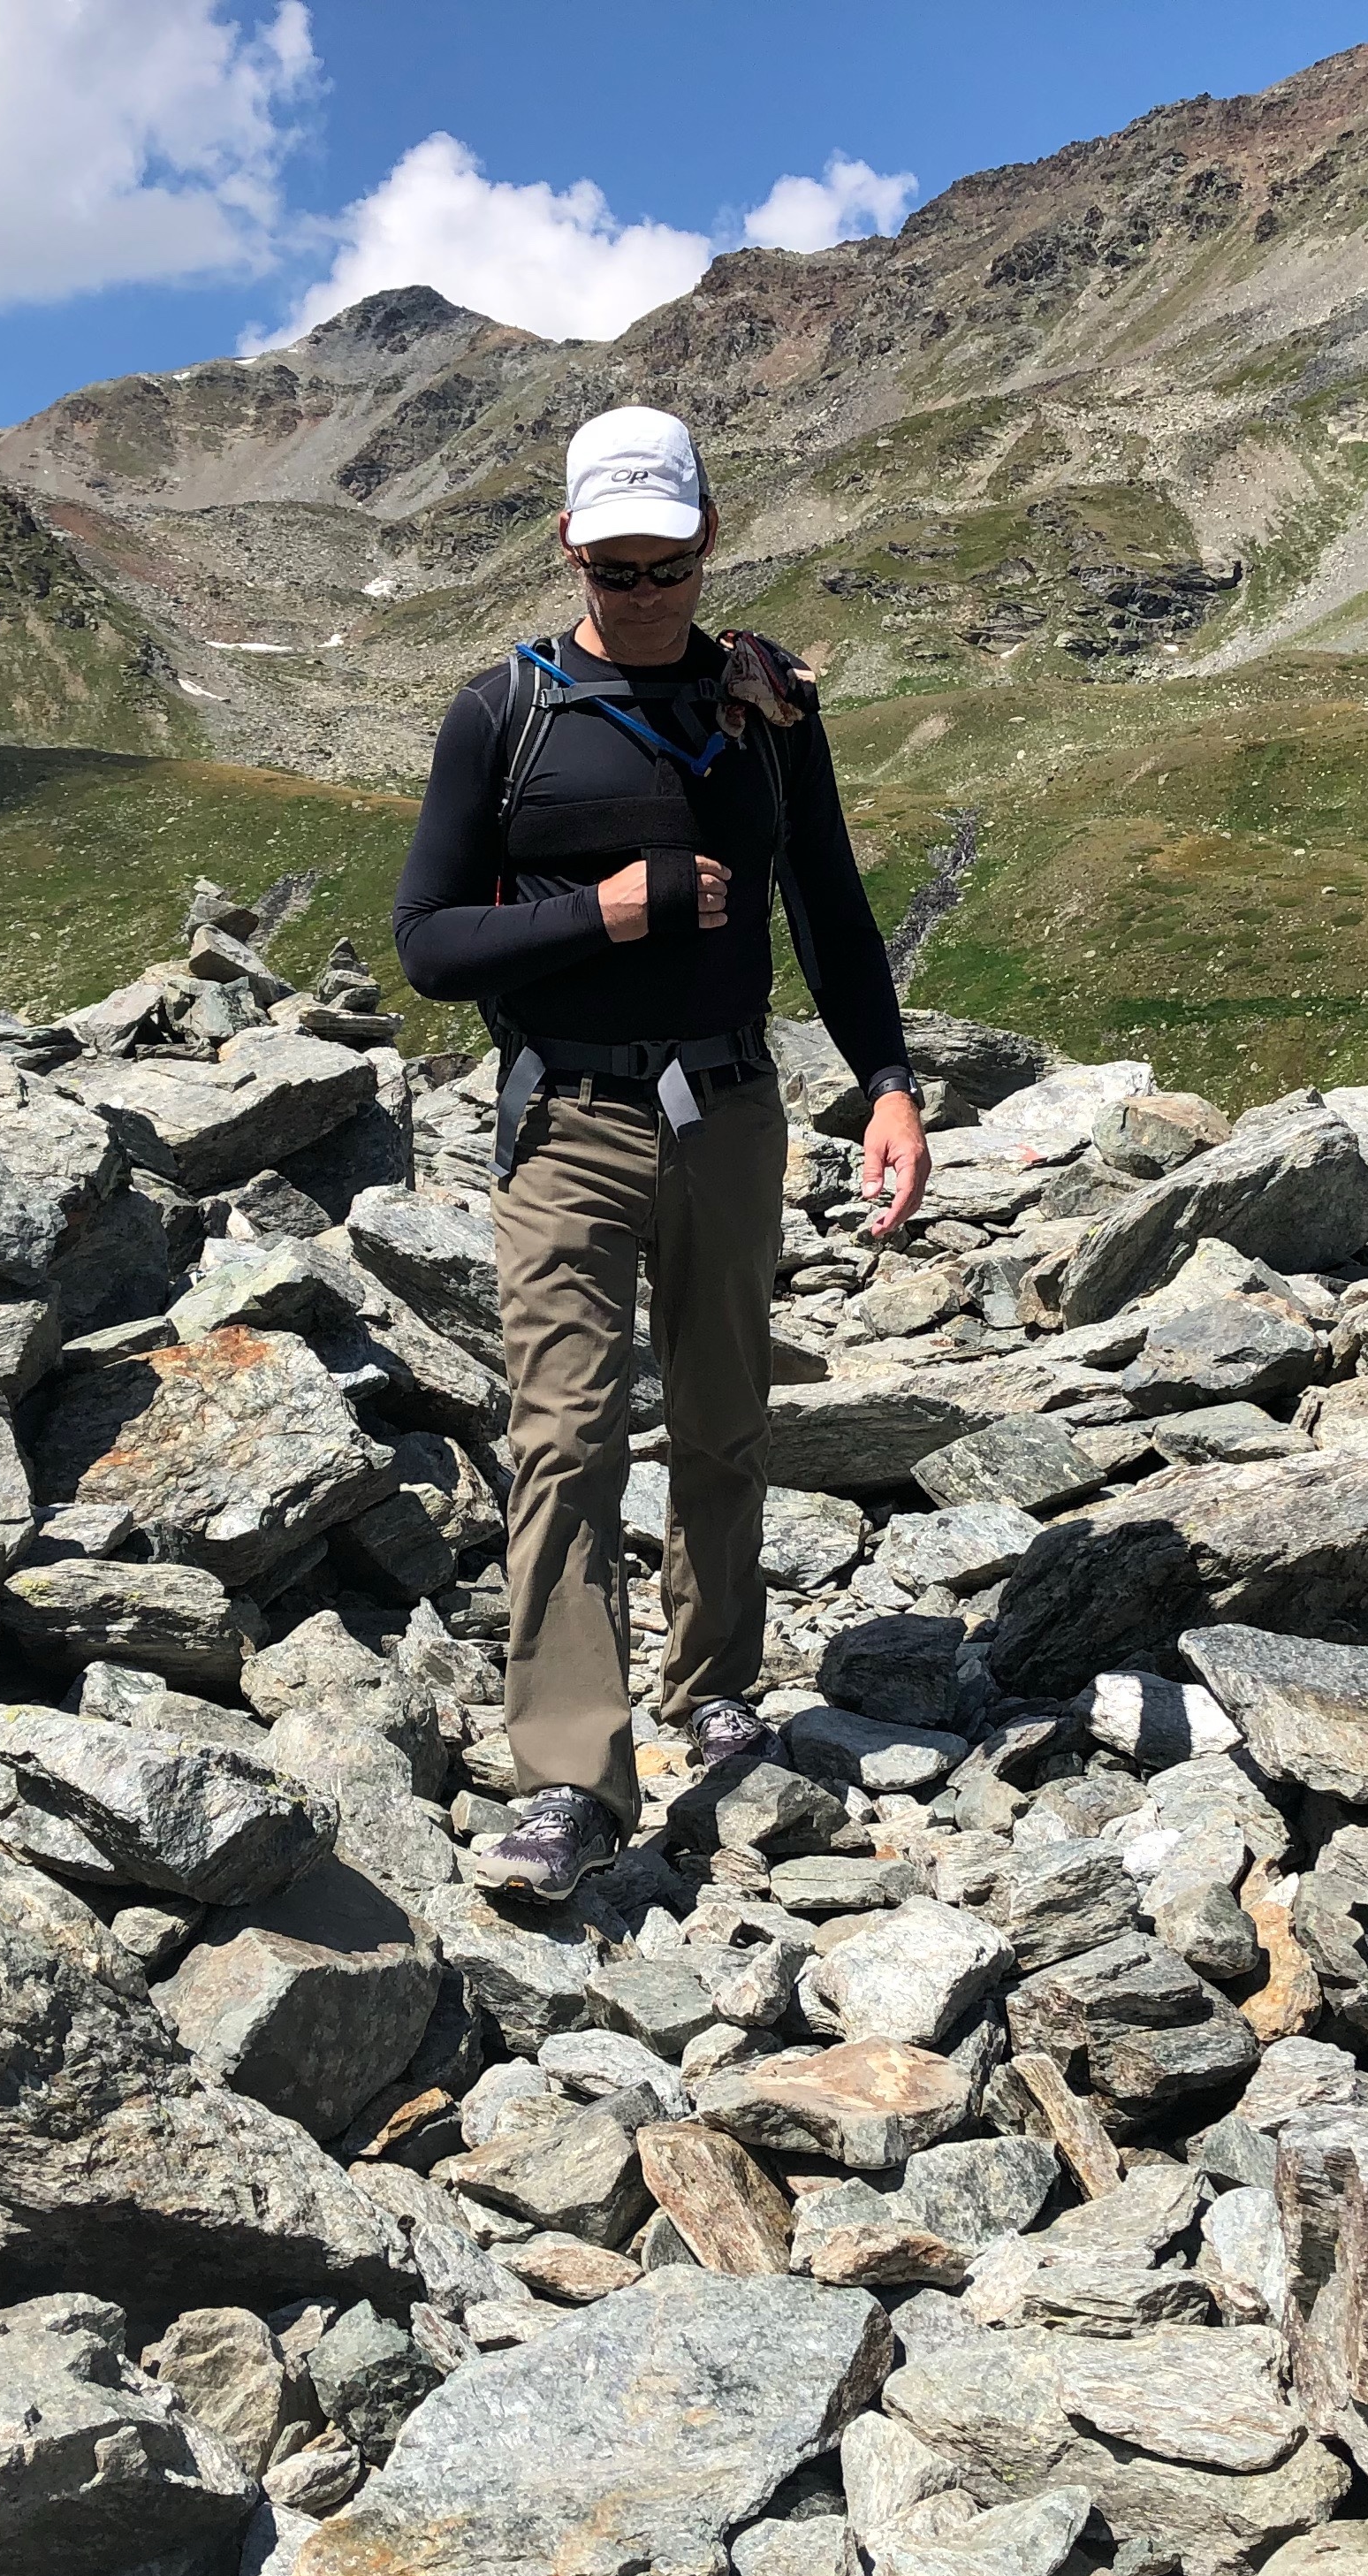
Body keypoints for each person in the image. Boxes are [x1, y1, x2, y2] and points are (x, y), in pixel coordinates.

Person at [393, 403, 931, 1902]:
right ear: (568, 544)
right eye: (613, 567)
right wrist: (607, 913)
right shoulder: (502, 712)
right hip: (564, 1118)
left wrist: (889, 1083)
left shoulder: (768, 713)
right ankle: (572, 1776)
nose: (641, 594)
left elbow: (829, 904)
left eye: (668, 566)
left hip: (731, 1110)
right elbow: (428, 943)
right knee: (565, 1437)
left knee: (723, 1413)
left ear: (710, 543)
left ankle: (714, 1686)